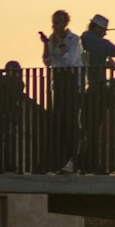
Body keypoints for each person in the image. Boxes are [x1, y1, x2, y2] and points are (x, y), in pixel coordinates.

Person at [78, 15, 115, 173]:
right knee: (94, 130)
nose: (105, 34)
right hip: (98, 91)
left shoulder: (81, 40)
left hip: (82, 90)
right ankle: (92, 164)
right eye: (104, 30)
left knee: (85, 128)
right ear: (98, 28)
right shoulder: (103, 44)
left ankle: (82, 163)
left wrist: (105, 64)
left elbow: (90, 63)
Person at [38, 10, 82, 171]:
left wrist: (59, 43)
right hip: (58, 81)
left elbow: (70, 60)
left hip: (71, 82)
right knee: (59, 121)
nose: (54, 26)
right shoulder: (52, 40)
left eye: (57, 22)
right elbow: (47, 62)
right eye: (53, 22)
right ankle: (59, 160)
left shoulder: (74, 40)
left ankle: (73, 159)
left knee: (71, 121)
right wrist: (46, 44)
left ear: (64, 23)